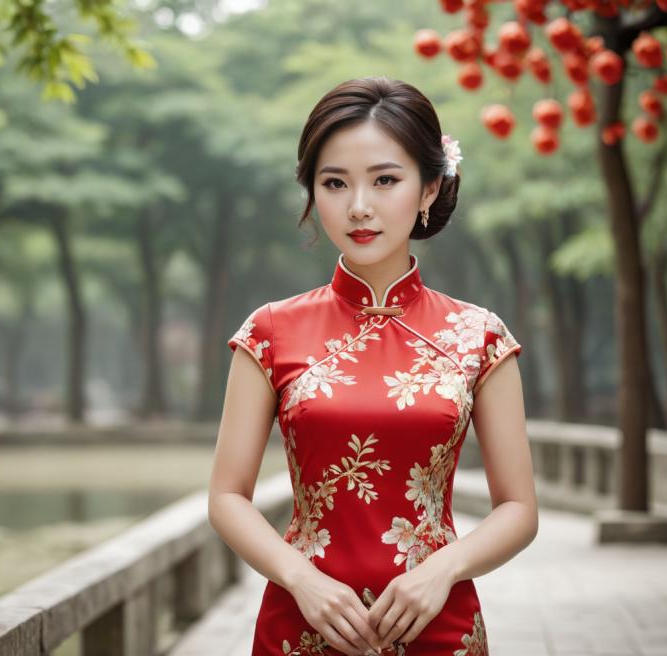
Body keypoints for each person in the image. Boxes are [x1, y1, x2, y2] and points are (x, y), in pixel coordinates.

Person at [207, 76, 539, 656]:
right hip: (303, 626)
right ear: (313, 191)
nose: (359, 206)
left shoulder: (479, 336)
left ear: (430, 188)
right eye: (334, 183)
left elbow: (519, 509)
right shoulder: (269, 332)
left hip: (436, 624)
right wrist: (302, 580)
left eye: (385, 180)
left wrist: (441, 571)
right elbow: (227, 497)